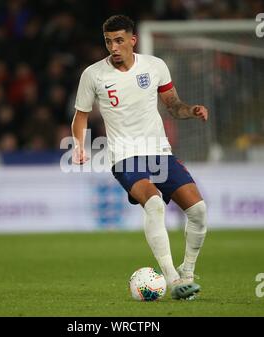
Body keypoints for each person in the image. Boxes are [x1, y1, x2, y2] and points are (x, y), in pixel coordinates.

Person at [71, 15, 208, 300]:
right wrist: (78, 145)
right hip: (124, 156)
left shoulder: (155, 66)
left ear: (133, 40)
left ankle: (188, 272)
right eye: (108, 41)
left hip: (159, 152)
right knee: (154, 204)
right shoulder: (93, 75)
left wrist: (190, 110)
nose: (113, 47)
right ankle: (173, 280)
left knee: (198, 212)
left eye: (119, 40)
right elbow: (80, 117)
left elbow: (173, 105)